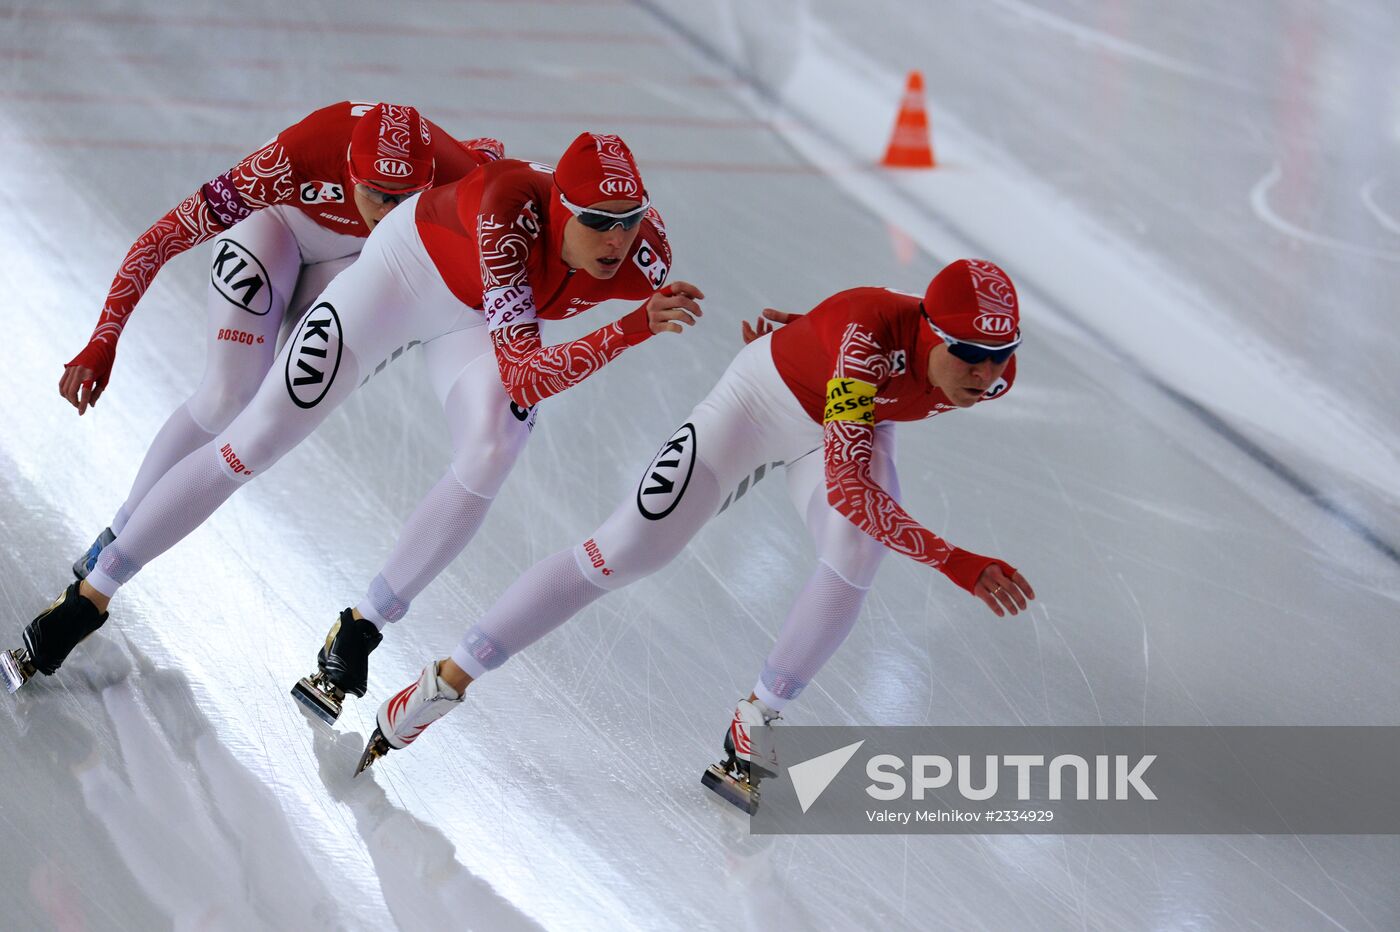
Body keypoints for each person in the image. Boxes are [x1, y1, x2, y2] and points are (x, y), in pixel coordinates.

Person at [1, 132, 703, 699]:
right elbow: (526, 369)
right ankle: (90, 596)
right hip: (401, 278)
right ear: (557, 210)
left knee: (494, 446)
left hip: (477, 320)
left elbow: (520, 369)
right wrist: (633, 328)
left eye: (628, 220)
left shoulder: (646, 256)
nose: (616, 240)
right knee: (258, 435)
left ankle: (361, 630)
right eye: (597, 223)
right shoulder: (507, 212)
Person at [352, 259, 1036, 815]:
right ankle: (444, 681)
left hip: (840, 421)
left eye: (1000, 357)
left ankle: (757, 720)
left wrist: (809, 330)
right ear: (928, 333)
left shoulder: (985, 375)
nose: (985, 374)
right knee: (620, 553)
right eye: (969, 355)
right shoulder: (872, 336)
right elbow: (850, 483)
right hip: (757, 406)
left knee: (858, 552)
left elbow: (851, 457)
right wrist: (955, 561)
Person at [64, 100, 504, 583]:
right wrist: (103, 339)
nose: (390, 211)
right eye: (377, 194)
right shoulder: (294, 157)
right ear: (349, 173)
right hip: (276, 224)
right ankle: (116, 538)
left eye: (406, 198)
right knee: (227, 396)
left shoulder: (456, 176)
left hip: (359, 258)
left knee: (287, 395)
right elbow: (163, 237)